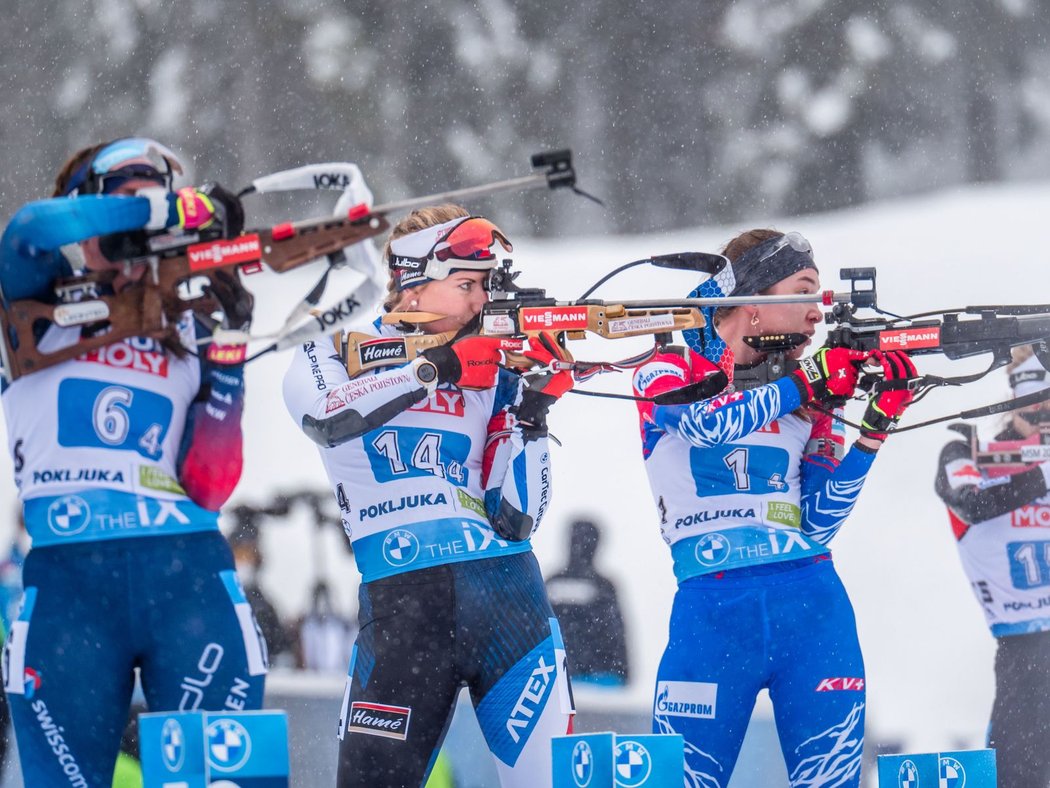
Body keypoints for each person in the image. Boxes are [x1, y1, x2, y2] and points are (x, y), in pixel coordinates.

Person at [0, 138, 267, 785]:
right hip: (71, 586)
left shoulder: (187, 321)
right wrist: (166, 210)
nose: (151, 230)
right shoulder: (33, 299)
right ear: (87, 215)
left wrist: (228, 355)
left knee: (224, 780)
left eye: (162, 206)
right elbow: (28, 230)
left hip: (188, 577)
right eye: (128, 207)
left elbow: (210, 484)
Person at [283, 202, 576, 788]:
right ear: (410, 285)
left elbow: (517, 518)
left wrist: (533, 412)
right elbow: (324, 417)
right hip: (405, 608)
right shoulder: (335, 348)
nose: (480, 301)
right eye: (466, 284)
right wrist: (436, 367)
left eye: (488, 285)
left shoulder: (495, 371)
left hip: (509, 601)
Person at [631, 229, 916, 787]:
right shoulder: (667, 367)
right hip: (713, 610)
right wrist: (807, 384)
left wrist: (874, 429)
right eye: (805, 291)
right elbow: (705, 424)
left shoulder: (808, 393)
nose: (817, 314)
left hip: (811, 608)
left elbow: (818, 523)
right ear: (754, 301)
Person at [934, 344, 1050, 788]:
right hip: (1024, 650)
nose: (1041, 414)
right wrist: (1040, 472)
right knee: (1016, 777)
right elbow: (972, 503)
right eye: (1033, 402)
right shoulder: (966, 452)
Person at [545, 517, 630, 686]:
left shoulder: (551, 582)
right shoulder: (604, 586)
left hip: (557, 676)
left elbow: (538, 628)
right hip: (600, 678)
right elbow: (616, 632)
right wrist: (625, 672)